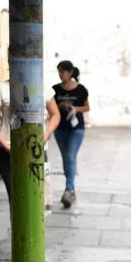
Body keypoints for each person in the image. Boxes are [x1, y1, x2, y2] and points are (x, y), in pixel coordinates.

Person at [0, 79, 60, 204]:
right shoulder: (1, 89)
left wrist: (45, 136)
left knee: (38, 197)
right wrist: (6, 146)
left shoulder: (42, 87)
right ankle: (16, 223)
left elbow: (55, 115)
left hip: (37, 151)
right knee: (16, 197)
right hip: (8, 151)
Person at [52, 60, 89, 208]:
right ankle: (70, 187)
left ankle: (69, 188)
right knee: (66, 157)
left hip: (76, 128)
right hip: (60, 127)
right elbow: (50, 107)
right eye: (59, 71)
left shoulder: (81, 90)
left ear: (71, 72)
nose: (61, 74)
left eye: (63, 71)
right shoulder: (55, 89)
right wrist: (59, 106)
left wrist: (73, 108)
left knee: (70, 155)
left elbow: (87, 107)